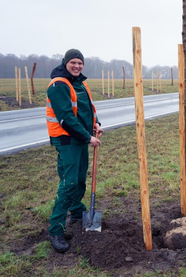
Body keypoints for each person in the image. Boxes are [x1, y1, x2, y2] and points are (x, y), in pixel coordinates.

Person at [46, 49, 103, 252]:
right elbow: (66, 118)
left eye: (80, 63)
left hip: (80, 139)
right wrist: (88, 137)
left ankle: (78, 213)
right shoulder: (58, 85)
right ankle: (56, 229)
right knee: (68, 184)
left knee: (79, 179)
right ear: (65, 63)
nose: (77, 66)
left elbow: (88, 109)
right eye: (73, 62)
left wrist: (95, 124)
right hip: (67, 141)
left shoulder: (81, 84)